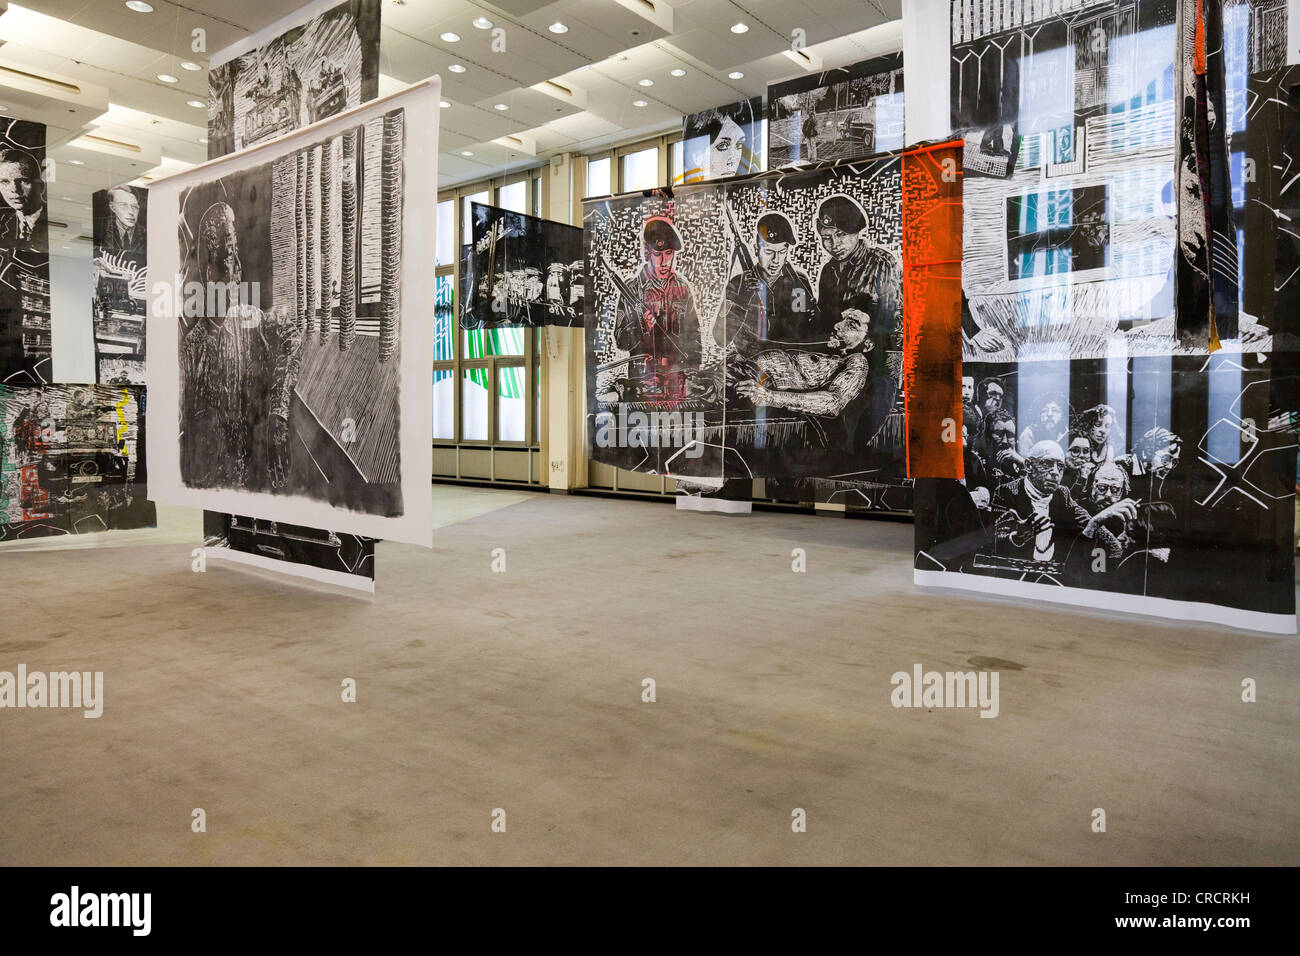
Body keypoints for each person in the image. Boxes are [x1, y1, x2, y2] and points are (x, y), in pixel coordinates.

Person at [179, 201, 304, 492]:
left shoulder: (254, 321)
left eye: (235, 256)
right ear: (208, 272)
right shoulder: (193, 348)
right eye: (225, 256)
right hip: (211, 482)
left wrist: (278, 414)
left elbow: (292, 339)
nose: (234, 268)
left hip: (253, 476)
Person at [992, 440, 1129, 565]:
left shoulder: (1062, 494)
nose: (1055, 473)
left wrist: (1116, 550)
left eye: (1060, 467)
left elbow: (1088, 522)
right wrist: (1017, 536)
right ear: (1028, 466)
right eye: (1047, 464)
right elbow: (994, 539)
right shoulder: (1006, 492)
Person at [612, 216, 702, 399]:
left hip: (676, 380)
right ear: (647, 252)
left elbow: (694, 336)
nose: (664, 261)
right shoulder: (632, 289)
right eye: (657, 254)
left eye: (669, 253)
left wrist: (692, 374)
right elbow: (620, 341)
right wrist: (640, 326)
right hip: (642, 380)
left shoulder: (682, 288)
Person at [719, 211, 817, 353]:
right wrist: (742, 301)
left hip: (788, 362)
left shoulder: (798, 282)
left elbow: (803, 333)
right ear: (756, 249)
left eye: (782, 251)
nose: (776, 260)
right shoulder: (739, 284)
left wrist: (811, 318)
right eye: (769, 251)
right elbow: (720, 340)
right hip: (750, 363)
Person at [812, 194, 900, 346]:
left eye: (841, 234)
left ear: (856, 231)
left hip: (875, 357)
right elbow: (824, 322)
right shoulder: (828, 270)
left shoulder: (882, 264)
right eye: (826, 237)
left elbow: (898, 324)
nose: (834, 244)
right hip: (837, 356)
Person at [0, 148, 46, 252]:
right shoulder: (2, 221)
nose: (15, 190)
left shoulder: (53, 219)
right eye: (5, 182)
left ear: (41, 186)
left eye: (23, 181)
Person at [100, 187, 145, 260]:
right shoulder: (101, 229)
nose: (131, 212)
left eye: (134, 207)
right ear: (113, 208)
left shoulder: (145, 234)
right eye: (123, 205)